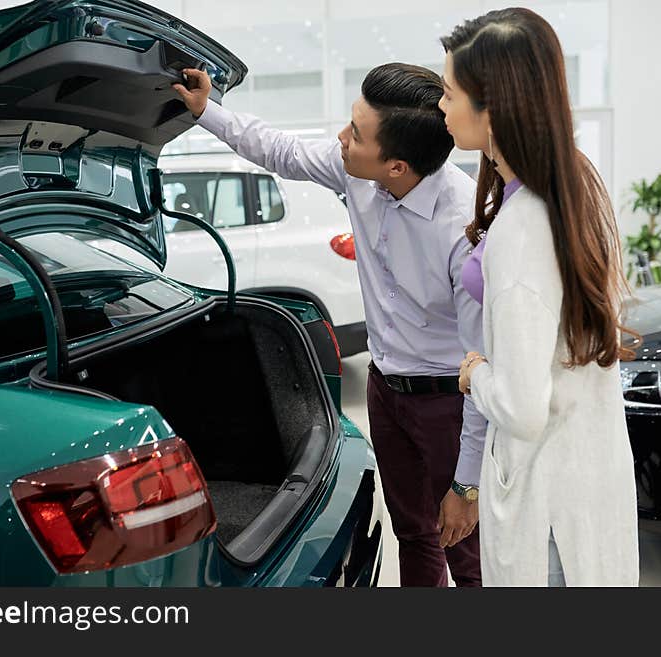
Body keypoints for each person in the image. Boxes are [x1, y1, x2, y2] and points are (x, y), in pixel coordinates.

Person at [173, 63, 486, 586]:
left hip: (448, 404)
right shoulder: (354, 169)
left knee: (467, 548)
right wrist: (208, 110)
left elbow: (485, 365)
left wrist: (467, 487)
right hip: (386, 390)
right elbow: (280, 150)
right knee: (412, 533)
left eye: (356, 133)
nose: (341, 139)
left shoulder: (465, 231)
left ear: (397, 166)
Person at [438, 8, 641, 586]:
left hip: (547, 501)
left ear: (493, 108)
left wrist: (475, 372)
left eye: (450, 94)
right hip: (583, 474)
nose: (441, 107)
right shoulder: (576, 185)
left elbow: (523, 410)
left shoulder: (523, 228)